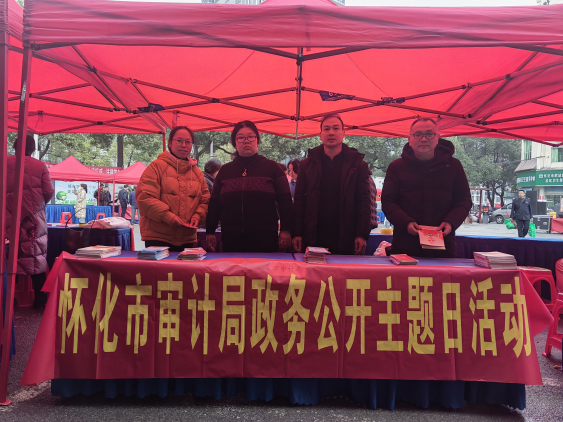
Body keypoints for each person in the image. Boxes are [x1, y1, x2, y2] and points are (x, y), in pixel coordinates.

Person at [382, 117, 472, 258]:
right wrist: (406, 222)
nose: (423, 139)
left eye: (429, 134)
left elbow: (464, 200)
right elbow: (388, 202)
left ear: (437, 138)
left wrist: (450, 222)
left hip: (444, 245)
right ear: (410, 139)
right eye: (417, 134)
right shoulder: (396, 167)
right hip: (405, 245)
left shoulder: (453, 166)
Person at [206, 120, 293, 253]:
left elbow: (285, 202)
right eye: (241, 137)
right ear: (235, 143)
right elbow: (215, 204)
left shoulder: (272, 168)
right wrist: (210, 231)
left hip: (265, 240)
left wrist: (286, 229)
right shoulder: (225, 171)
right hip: (231, 240)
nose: (246, 141)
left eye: (251, 137)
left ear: (257, 140)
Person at [293, 114, 371, 256]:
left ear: (343, 133)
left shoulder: (358, 165)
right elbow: (299, 200)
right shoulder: (307, 165)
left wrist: (361, 234)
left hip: (346, 235)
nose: (331, 133)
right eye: (326, 129)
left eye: (336, 128)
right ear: (320, 135)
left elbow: (364, 201)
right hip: (313, 234)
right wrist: (297, 232)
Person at [136, 125, 210, 252]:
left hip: (187, 238)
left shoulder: (197, 173)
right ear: (170, 143)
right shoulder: (156, 167)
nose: (183, 145)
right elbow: (145, 197)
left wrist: (198, 216)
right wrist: (168, 217)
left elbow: (205, 200)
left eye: (188, 142)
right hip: (158, 237)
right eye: (179, 141)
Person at [5, 134, 55, 308]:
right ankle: (40, 301)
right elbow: (49, 191)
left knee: (9, 257)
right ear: (32, 149)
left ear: (15, 146)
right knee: (36, 257)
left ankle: (9, 300)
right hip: (33, 219)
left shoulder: (4, 163)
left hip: (8, 217)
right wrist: (37, 206)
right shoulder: (40, 165)